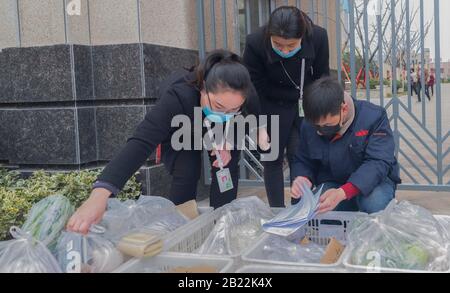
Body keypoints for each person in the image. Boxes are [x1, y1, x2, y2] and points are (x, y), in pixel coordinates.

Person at [67, 50, 260, 234]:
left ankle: (223, 226)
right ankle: (181, 231)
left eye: (232, 109)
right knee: (186, 171)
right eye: (218, 106)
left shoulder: (243, 93)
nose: (223, 114)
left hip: (219, 130)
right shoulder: (178, 96)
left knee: (226, 167)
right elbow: (141, 141)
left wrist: (227, 137)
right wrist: (99, 195)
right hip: (182, 127)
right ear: (203, 88)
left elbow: (249, 116)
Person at [243, 6, 330, 207]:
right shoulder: (255, 42)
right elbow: (253, 88)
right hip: (270, 104)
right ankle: (276, 211)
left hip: (304, 104)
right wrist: (258, 126)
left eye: (291, 46)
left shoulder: (318, 37)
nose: (284, 51)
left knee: (299, 157)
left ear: (302, 36)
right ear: (269, 36)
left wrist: (319, 116)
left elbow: (321, 78)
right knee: (271, 159)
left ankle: (298, 211)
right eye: (278, 45)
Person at [290, 77, 401, 214]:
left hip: (374, 183)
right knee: (316, 209)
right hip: (333, 183)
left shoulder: (374, 117)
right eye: (317, 126)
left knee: (375, 203)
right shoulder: (310, 124)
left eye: (327, 125)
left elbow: (378, 162)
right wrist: (302, 178)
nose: (320, 130)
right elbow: (303, 159)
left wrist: (343, 192)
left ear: (344, 109)